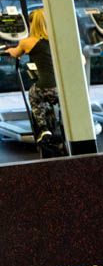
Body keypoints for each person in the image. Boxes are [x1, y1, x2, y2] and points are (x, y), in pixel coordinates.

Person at [3, 9, 65, 156]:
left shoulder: (27, 42)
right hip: (62, 87)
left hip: (45, 86)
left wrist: (8, 50)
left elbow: (15, 53)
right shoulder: (58, 39)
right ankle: (63, 125)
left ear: (32, 24)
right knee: (57, 100)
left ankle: (44, 129)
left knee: (34, 96)